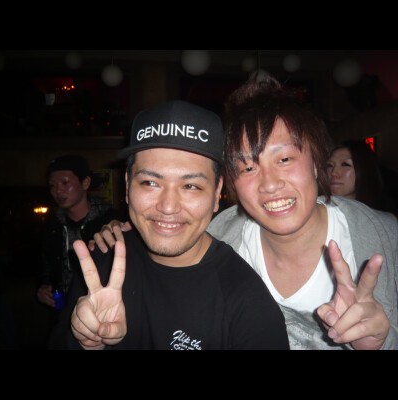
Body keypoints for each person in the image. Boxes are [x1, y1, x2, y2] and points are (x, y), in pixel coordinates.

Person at [93, 74, 398, 350]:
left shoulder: (386, 236)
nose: (270, 184)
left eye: (284, 160)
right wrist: (126, 233)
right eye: (248, 167)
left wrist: (382, 343)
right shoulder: (222, 236)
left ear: (317, 163)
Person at [49, 100, 290, 350]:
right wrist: (87, 342)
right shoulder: (101, 261)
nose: (168, 207)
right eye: (150, 183)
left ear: (217, 192)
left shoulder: (248, 304)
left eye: (191, 186)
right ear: (128, 185)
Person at [37, 155, 120, 315]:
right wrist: (44, 287)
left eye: (65, 183)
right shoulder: (52, 225)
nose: (58, 191)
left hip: (101, 307)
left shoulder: (109, 222)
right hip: (62, 310)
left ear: (85, 183)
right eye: (52, 185)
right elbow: (46, 265)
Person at [326, 139, 388, 210]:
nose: (333, 173)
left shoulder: (382, 214)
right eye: (330, 165)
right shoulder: (320, 207)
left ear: (363, 169)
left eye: (345, 164)